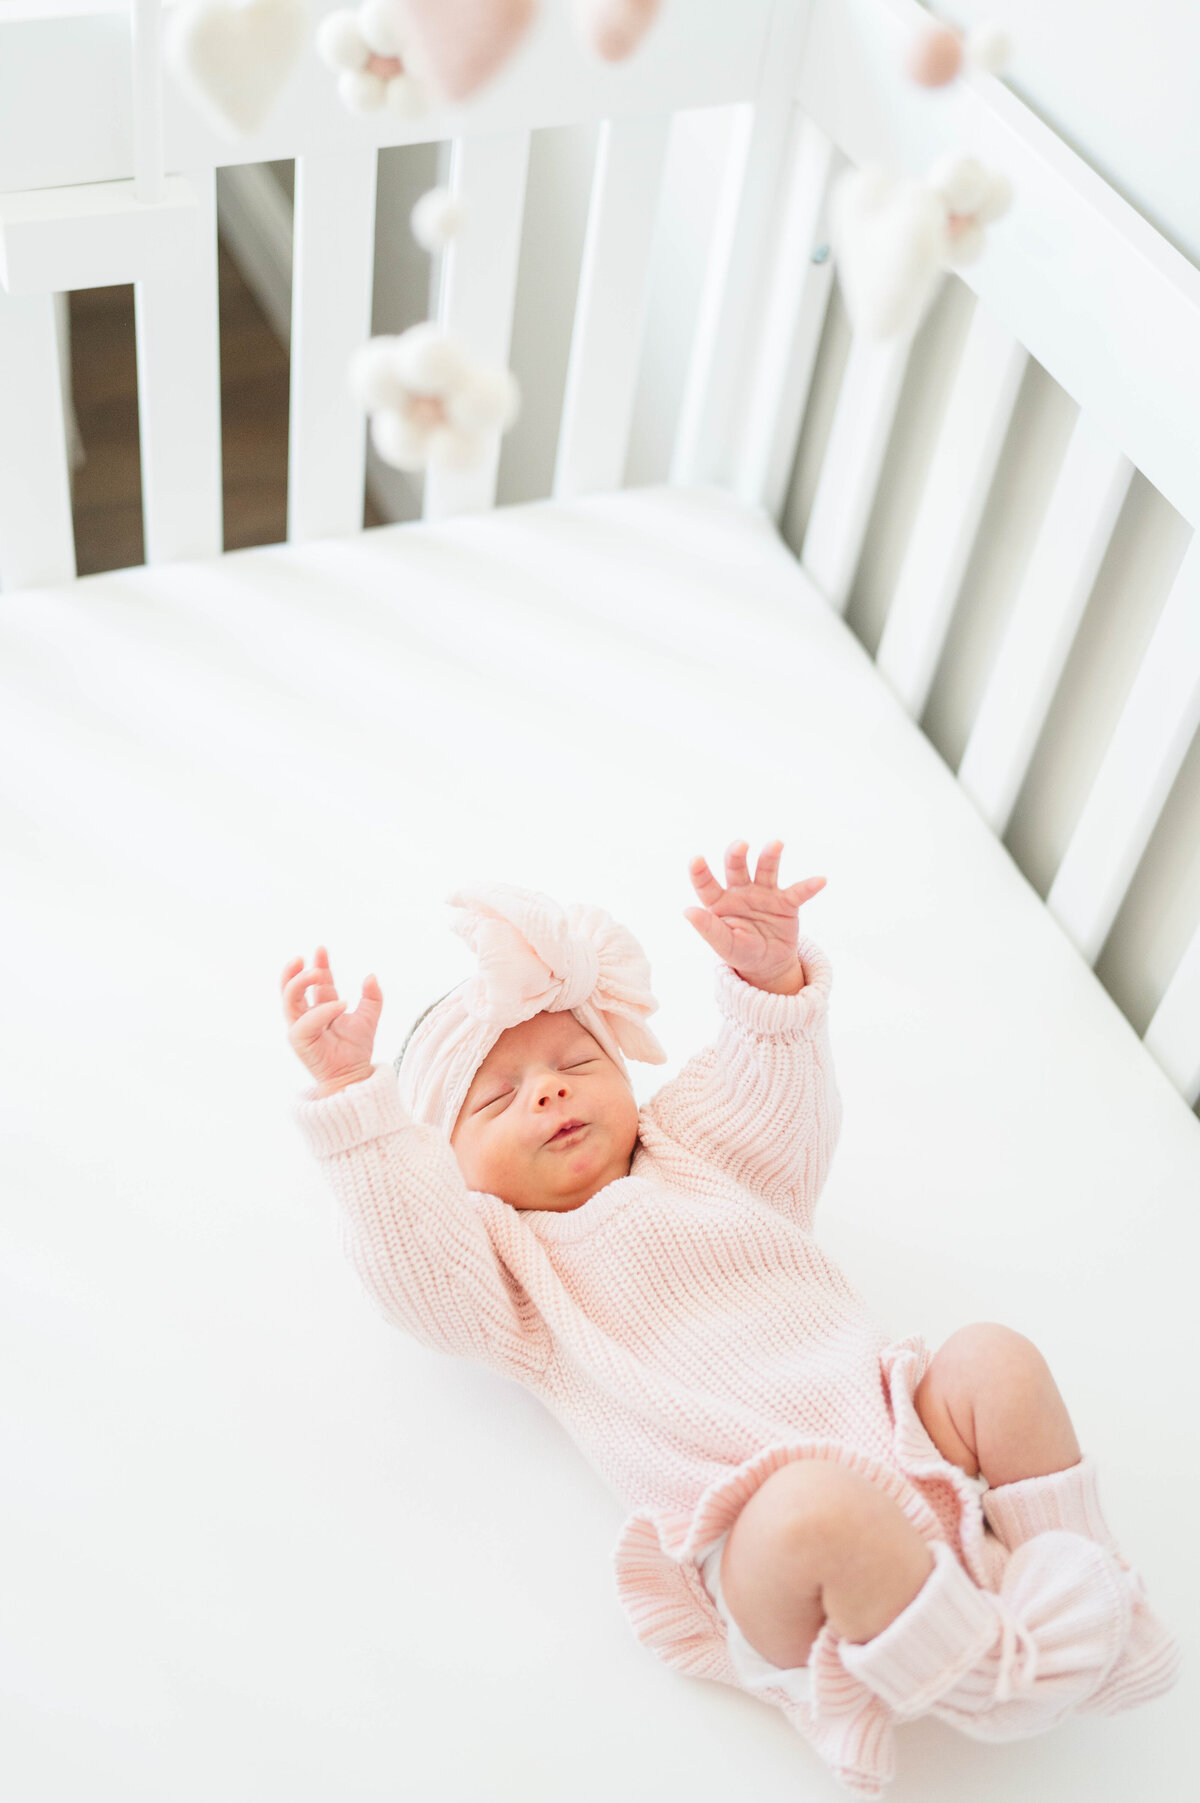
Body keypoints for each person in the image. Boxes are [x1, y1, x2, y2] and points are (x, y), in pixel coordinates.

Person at [282, 839, 1180, 1798]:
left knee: (994, 1358)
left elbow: (779, 1101)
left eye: (576, 1060)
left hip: (906, 1430)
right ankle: (990, 1679)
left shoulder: (698, 1145)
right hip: (759, 1541)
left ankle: (1090, 1583)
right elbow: (413, 1265)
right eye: (497, 1098)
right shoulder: (510, 1274)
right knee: (815, 1505)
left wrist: (769, 986)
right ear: (451, 1171)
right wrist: (356, 1108)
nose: (547, 1090)